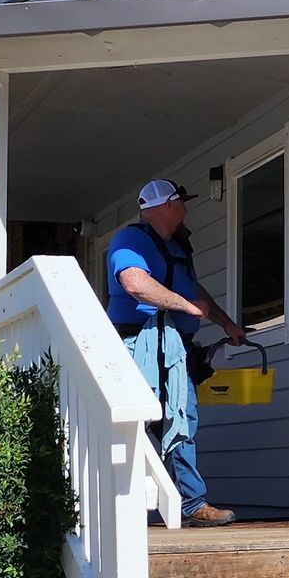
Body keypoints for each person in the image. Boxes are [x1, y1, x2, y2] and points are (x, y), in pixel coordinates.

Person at [105, 178, 245, 528]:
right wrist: (186, 306)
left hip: (175, 352)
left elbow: (193, 290)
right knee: (136, 423)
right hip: (137, 346)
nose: (186, 209)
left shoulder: (179, 247)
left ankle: (191, 503)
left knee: (181, 419)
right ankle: (119, 505)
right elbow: (135, 282)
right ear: (167, 206)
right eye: (182, 202)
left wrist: (226, 323)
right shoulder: (130, 240)